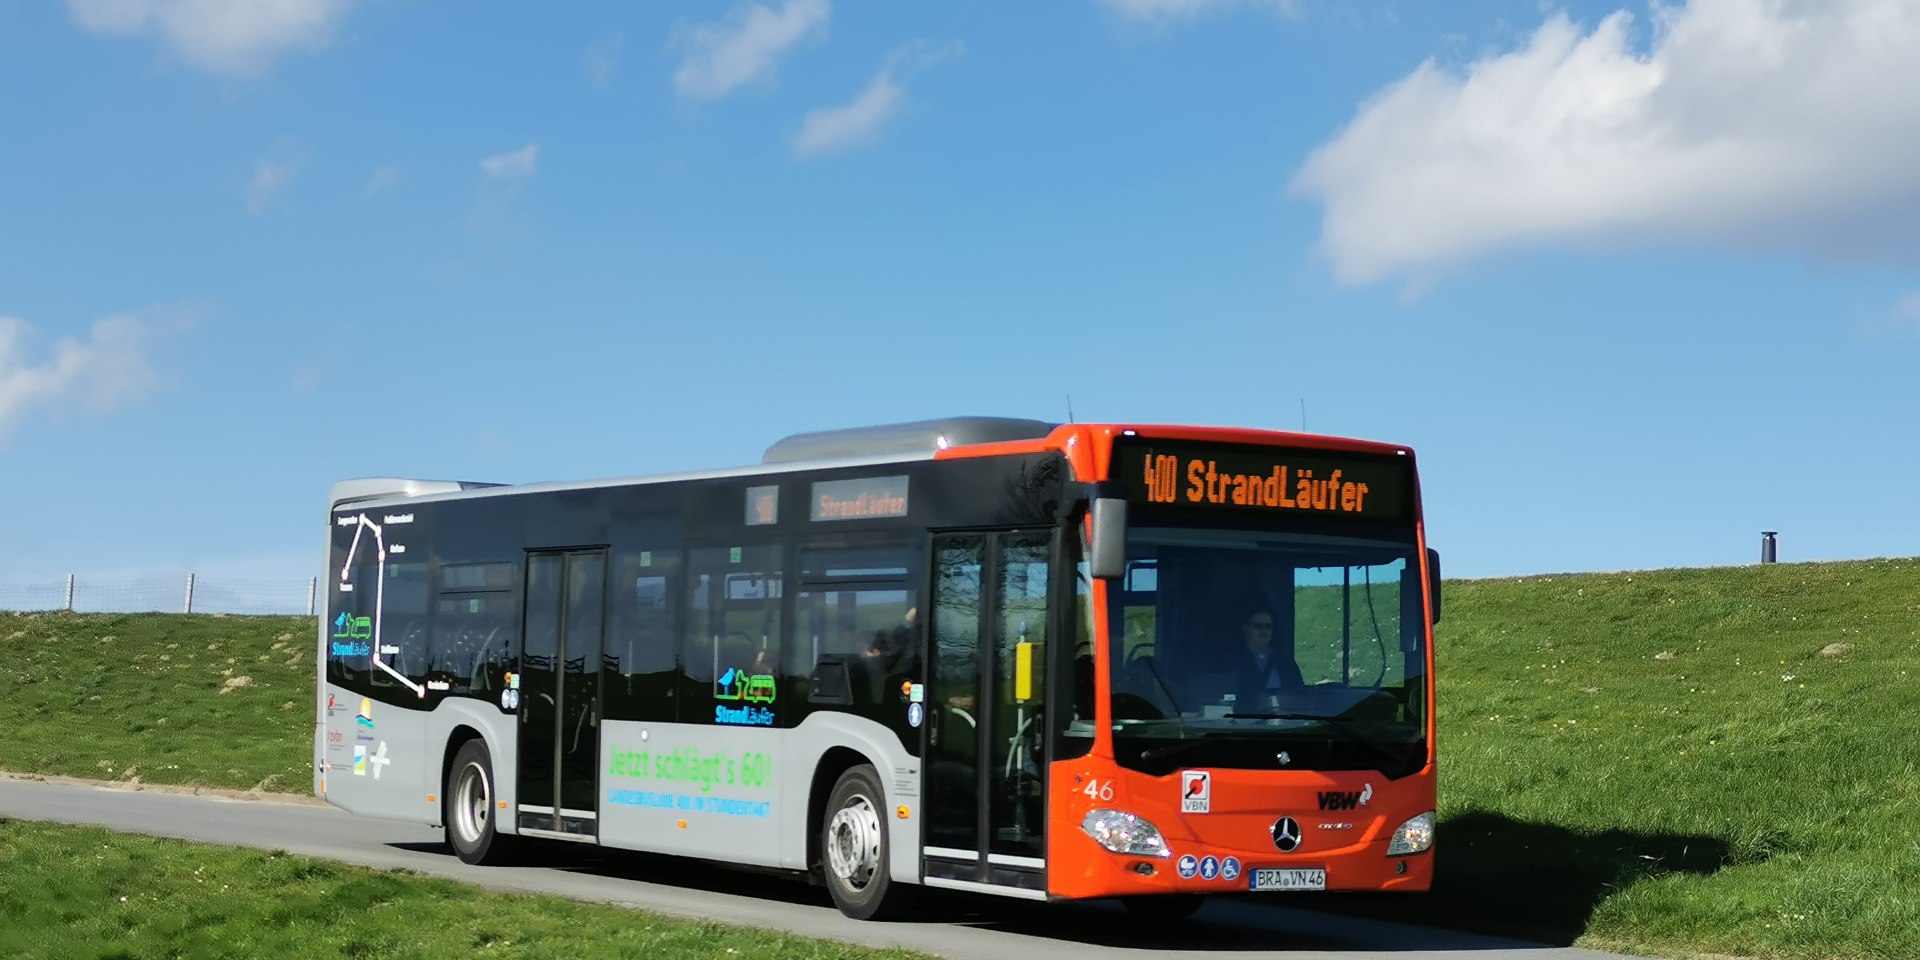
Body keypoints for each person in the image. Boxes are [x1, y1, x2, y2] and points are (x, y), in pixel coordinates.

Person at [1231, 606, 1302, 710]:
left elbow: (1298, 692)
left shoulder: (1284, 661)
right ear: (1245, 629)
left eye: (1268, 627)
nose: (1263, 631)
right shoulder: (1232, 661)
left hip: (1283, 721)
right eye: (1258, 626)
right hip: (1242, 721)